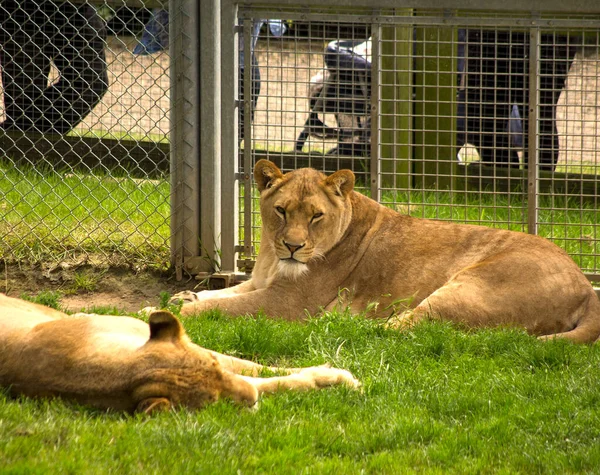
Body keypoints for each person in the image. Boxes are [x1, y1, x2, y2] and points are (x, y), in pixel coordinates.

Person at [133, 10, 286, 141]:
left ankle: (232, 160)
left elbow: (276, 21)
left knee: (242, 116)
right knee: (204, 117)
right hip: (204, 55)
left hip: (241, 57)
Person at [457, 29, 577, 171]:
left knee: (539, 117)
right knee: (485, 117)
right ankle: (504, 182)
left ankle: (541, 186)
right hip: (493, 30)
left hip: (549, 31)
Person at [0, 1, 108, 134]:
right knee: (23, 95)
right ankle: (24, 145)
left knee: (92, 82)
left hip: (74, 8)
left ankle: (28, 141)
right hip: (20, 9)